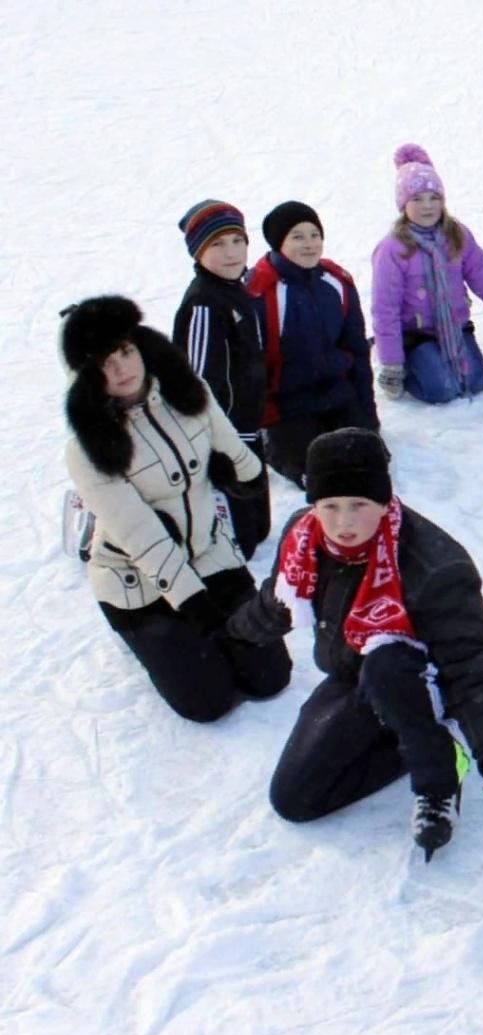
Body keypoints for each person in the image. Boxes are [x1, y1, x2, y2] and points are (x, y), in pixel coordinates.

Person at [225, 431, 483, 858]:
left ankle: (440, 771)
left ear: (384, 502)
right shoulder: (304, 540)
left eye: (359, 506)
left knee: (388, 664)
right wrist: (228, 638)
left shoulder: (435, 567)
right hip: (352, 676)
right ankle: (412, 738)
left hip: (419, 684)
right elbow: (276, 604)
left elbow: (471, 666)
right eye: (330, 506)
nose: (343, 523)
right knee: (295, 799)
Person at [60, 295, 290, 722]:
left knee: (270, 677)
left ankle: (197, 637)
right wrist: (193, 602)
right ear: (91, 376)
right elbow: (143, 537)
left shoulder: (187, 393)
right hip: (138, 583)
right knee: (209, 703)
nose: (123, 368)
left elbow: (228, 443)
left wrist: (247, 474)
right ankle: (144, 637)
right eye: (106, 363)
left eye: (126, 352)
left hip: (207, 552)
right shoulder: (87, 448)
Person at [370, 145, 483, 405]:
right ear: (403, 205)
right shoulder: (393, 249)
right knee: (441, 389)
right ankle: (410, 367)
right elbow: (385, 309)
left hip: (455, 327)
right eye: (417, 199)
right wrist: (392, 363)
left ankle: (441, 361)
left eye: (433, 197)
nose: (427, 206)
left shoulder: (456, 235)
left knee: (475, 382)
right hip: (417, 335)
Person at [246, 201, 381, 485]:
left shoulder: (336, 281)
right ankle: (277, 445)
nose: (309, 244)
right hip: (288, 406)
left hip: (337, 395)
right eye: (297, 237)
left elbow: (356, 348)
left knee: (366, 463)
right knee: (317, 475)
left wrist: (368, 416)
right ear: (278, 242)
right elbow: (252, 367)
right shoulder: (261, 291)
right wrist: (267, 419)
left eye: (314, 235)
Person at [172, 199, 272, 556]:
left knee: (259, 528)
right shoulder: (203, 303)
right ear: (198, 252)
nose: (231, 253)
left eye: (238, 241)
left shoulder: (238, 291)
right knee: (239, 541)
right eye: (217, 244)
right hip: (222, 433)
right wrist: (209, 438)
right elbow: (195, 379)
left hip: (248, 424)